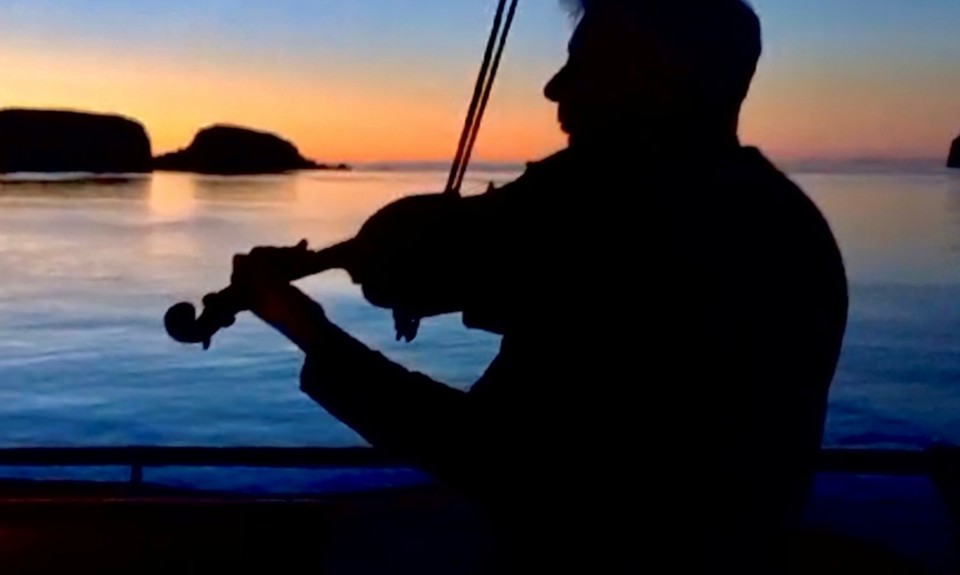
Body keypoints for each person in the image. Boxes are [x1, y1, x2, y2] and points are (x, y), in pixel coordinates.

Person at [230, 0, 849, 572]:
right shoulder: (788, 222)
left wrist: (308, 331)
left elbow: (491, 456)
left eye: (585, 64)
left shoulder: (624, 229)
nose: (555, 87)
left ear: (653, 75)